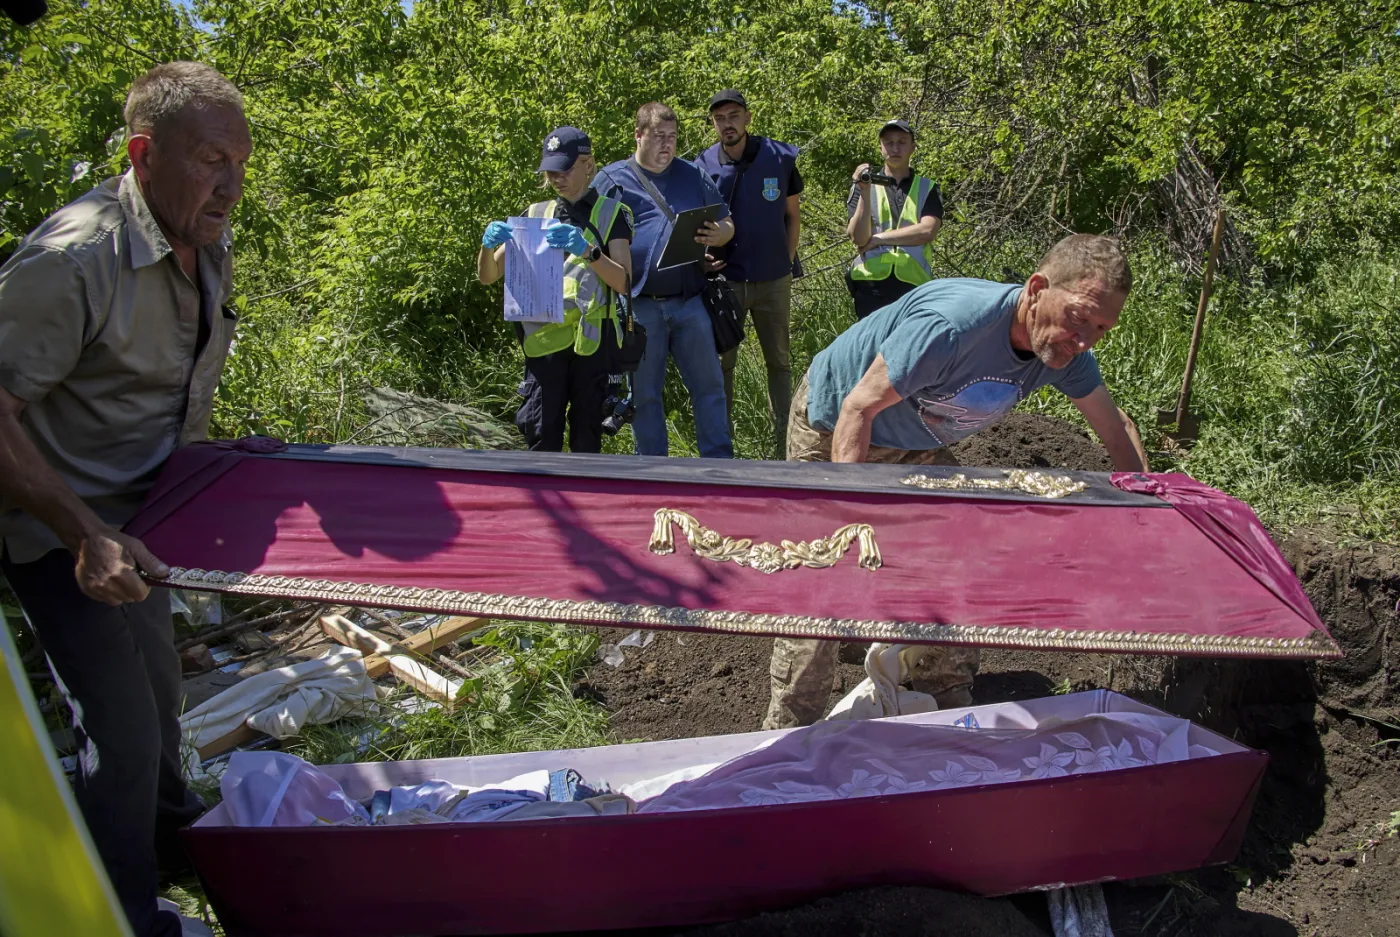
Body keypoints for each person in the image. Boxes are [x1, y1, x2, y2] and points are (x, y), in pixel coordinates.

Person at [0, 62, 252, 937]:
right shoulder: (74, 259)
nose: (231, 184)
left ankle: (174, 845)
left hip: (149, 532)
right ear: (145, 154)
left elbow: (171, 402)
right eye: (212, 159)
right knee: (121, 730)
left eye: (242, 163)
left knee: (160, 700)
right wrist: (83, 532)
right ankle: (118, 914)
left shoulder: (203, 241)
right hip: (58, 532)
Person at [764, 234, 1150, 730]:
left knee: (959, 550)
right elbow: (857, 408)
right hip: (832, 425)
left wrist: (1149, 516)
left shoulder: (1067, 353)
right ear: (1036, 289)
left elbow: (1116, 428)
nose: (1085, 339)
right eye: (1078, 317)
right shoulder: (952, 328)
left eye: (1101, 328)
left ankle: (946, 696)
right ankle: (786, 731)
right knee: (823, 575)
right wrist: (853, 525)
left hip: (913, 439)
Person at [478, 126, 634, 453]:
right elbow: (488, 276)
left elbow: (624, 282)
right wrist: (485, 246)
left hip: (591, 345)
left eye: (563, 169)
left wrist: (588, 251)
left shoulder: (611, 213)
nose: (555, 178)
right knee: (540, 434)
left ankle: (584, 502)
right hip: (544, 342)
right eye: (549, 171)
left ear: (588, 165)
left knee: (586, 436)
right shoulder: (535, 215)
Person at [594, 102, 735, 459]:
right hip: (639, 307)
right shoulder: (612, 180)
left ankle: (719, 467)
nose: (667, 145)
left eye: (672, 138)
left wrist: (716, 235)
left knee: (710, 387)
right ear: (638, 136)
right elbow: (590, 235)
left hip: (690, 301)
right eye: (659, 137)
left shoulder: (692, 175)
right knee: (645, 395)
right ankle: (653, 473)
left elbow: (729, 224)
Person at [696, 89, 802, 456]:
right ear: (714, 124)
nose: (728, 123)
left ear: (748, 117)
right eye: (720, 118)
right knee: (722, 363)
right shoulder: (703, 164)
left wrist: (787, 262)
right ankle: (723, 445)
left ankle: (783, 441)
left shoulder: (780, 157)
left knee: (780, 361)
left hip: (774, 279)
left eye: (734, 115)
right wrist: (702, 259)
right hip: (727, 281)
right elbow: (697, 223)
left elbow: (792, 215)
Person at [846, 119, 943, 320]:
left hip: (914, 285)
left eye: (901, 142)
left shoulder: (927, 187)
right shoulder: (863, 185)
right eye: (889, 142)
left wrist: (879, 239)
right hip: (870, 283)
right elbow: (859, 238)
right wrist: (864, 191)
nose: (895, 148)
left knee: (908, 349)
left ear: (913, 147)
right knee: (873, 349)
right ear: (881, 148)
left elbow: (927, 231)